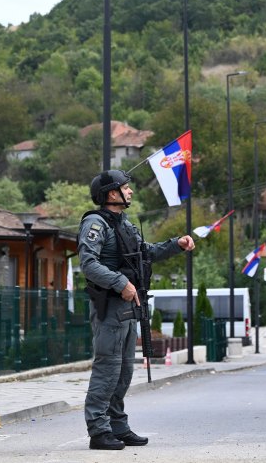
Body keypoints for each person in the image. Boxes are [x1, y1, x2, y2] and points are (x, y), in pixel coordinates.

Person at [78, 169, 195, 450]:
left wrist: (176, 245)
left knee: (124, 372)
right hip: (110, 307)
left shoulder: (123, 224)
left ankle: (117, 425)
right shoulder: (96, 223)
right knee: (107, 368)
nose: (130, 192)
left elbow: (146, 252)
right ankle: (98, 429)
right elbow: (88, 263)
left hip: (130, 307)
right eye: (125, 188)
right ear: (111, 194)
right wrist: (120, 283)